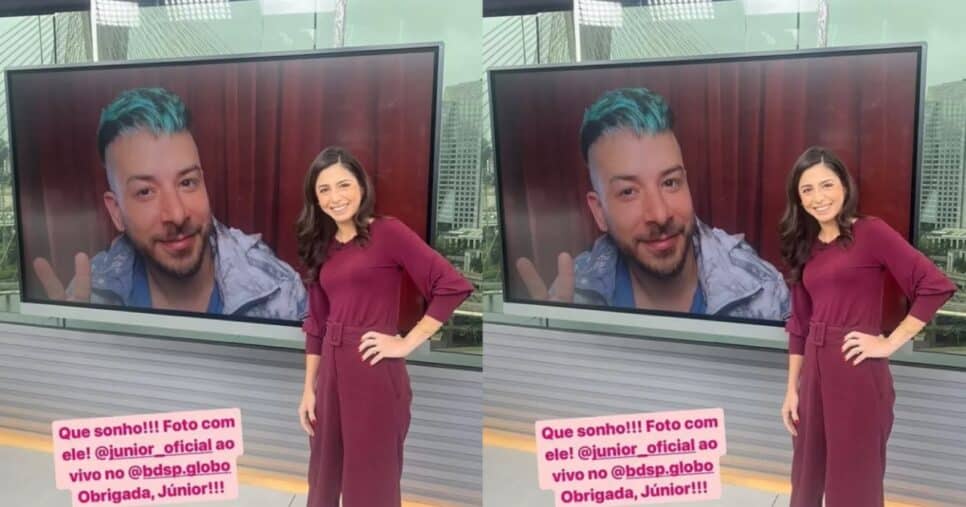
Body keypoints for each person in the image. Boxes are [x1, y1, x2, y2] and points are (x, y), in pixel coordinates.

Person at [30, 87, 306, 320]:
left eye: (187, 182)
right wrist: (72, 350)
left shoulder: (279, 292)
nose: (176, 214)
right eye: (146, 191)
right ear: (116, 212)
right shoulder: (87, 298)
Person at [295, 146, 473, 506]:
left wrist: (407, 342)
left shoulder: (388, 233)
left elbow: (452, 285)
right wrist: (308, 389)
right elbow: (316, 323)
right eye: (324, 190)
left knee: (371, 479)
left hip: (372, 367)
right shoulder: (321, 246)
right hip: (330, 369)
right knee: (323, 474)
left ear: (361, 186)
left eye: (343, 185)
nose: (335, 197)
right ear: (316, 199)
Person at [778, 147, 955, 506]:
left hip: (856, 367)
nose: (818, 197)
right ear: (799, 199)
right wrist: (791, 389)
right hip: (814, 369)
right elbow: (799, 323)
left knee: (854, 479)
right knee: (806, 474)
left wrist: (890, 342)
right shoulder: (805, 245)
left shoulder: (871, 232)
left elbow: (935, 285)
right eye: (807, 190)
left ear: (844, 185)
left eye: (827, 184)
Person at [515, 87, 788, 320]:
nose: (659, 214)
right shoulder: (570, 296)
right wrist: (555, 345)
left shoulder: (762, 291)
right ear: (599, 212)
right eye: (628, 192)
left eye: (670, 182)